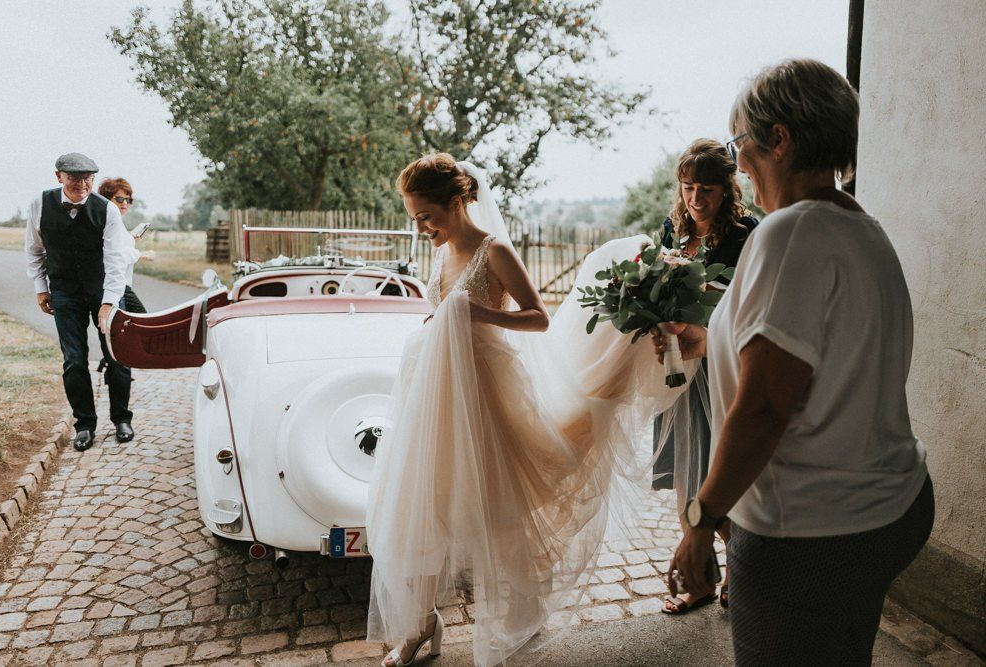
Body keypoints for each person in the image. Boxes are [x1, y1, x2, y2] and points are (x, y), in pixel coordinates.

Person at [365, 154, 691, 667]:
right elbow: (441, 315)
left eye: (427, 215)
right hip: (433, 393)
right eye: (414, 218)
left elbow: (538, 318)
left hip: (486, 394)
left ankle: (517, 618)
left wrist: (478, 313)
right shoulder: (439, 253)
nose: (421, 227)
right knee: (423, 506)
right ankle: (420, 625)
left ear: (457, 203)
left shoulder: (494, 252)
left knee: (498, 512)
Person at [657, 59, 933, 664]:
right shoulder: (863, 227)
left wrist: (702, 520)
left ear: (779, 139)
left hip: (812, 532)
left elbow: (764, 406)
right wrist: (703, 341)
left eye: (739, 146)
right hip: (891, 503)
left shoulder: (789, 234)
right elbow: (822, 355)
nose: (738, 165)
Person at [651, 138, 758, 615]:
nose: (696, 199)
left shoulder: (746, 234)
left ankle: (741, 573)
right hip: (680, 369)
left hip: (721, 369)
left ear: (726, 189)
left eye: (708, 189)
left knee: (720, 471)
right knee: (686, 477)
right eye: (689, 188)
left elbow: (748, 308)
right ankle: (700, 582)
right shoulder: (670, 230)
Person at [25, 153, 137, 451]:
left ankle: (121, 419)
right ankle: (84, 425)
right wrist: (41, 288)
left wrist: (109, 302)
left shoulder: (107, 210)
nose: (82, 184)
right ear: (59, 176)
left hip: (104, 288)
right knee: (74, 359)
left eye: (88, 178)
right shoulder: (40, 204)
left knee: (117, 355)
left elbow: (116, 261)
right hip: (64, 291)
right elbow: (34, 251)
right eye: (75, 177)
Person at [97, 177, 155, 313]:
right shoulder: (108, 221)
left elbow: (119, 245)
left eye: (128, 200)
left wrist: (130, 239)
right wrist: (142, 254)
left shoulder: (117, 221)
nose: (125, 203)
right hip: (115, 284)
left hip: (121, 284)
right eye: (119, 199)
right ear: (107, 200)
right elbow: (118, 254)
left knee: (132, 324)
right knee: (137, 321)